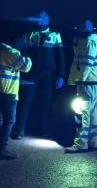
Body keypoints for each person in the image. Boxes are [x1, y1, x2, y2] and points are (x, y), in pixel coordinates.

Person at [11, 10, 65, 140]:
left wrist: (61, 75)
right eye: (39, 18)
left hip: (48, 74)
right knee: (25, 102)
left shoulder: (55, 34)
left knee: (45, 103)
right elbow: (21, 51)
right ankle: (19, 130)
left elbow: (60, 56)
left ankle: (41, 131)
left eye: (43, 18)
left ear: (48, 20)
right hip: (31, 73)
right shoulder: (30, 34)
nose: (40, 20)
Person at [0, 36, 32, 160]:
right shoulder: (11, 52)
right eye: (23, 40)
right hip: (7, 92)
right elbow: (26, 66)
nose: (23, 43)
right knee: (9, 121)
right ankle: (1, 150)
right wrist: (27, 56)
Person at [66, 19, 97, 153]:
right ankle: (93, 140)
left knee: (83, 111)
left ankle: (81, 143)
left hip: (88, 81)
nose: (78, 30)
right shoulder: (94, 39)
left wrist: (81, 81)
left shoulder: (90, 41)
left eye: (80, 28)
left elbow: (87, 63)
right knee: (92, 110)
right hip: (94, 80)